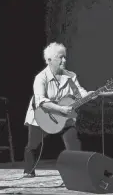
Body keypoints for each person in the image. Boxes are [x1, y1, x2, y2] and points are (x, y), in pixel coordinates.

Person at [23, 42, 93, 177]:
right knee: (33, 145)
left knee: (73, 142)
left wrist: (89, 95)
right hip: (41, 115)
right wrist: (61, 109)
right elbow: (41, 101)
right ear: (49, 60)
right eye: (60, 57)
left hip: (64, 116)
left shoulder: (71, 76)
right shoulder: (41, 78)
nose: (64, 60)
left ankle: (78, 171)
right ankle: (29, 170)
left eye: (65, 57)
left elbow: (79, 93)